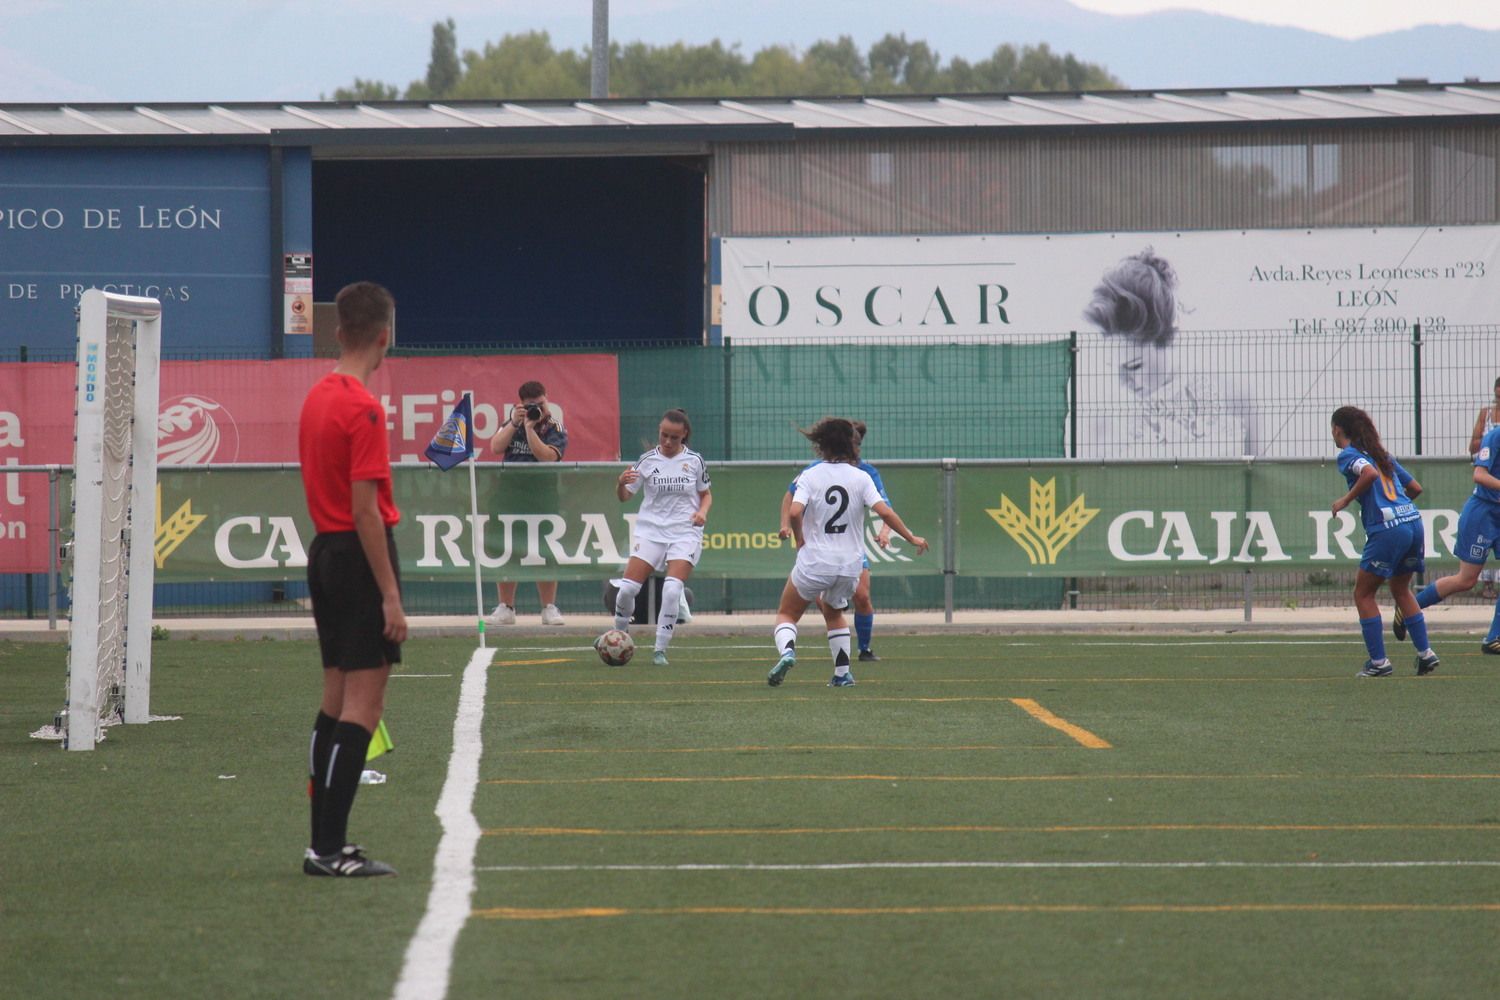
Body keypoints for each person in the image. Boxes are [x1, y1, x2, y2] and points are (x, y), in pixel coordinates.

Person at [297, 281, 407, 877]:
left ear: (338, 333)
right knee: (365, 704)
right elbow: (366, 510)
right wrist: (391, 594)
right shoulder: (362, 407)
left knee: (334, 698)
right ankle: (329, 849)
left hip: (324, 553)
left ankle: (321, 843)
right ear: (385, 337)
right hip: (358, 557)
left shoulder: (317, 396)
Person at [768, 418, 927, 689]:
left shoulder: (811, 474)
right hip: (850, 564)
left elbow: (794, 511)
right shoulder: (861, 477)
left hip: (816, 561)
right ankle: (842, 674)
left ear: (821, 446)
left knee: (787, 614)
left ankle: (788, 652)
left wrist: (799, 538)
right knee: (834, 614)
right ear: (851, 446)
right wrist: (911, 537)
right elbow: (885, 512)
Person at [1083, 247, 1258, 459]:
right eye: (1115, 367)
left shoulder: (1234, 395)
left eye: (1134, 366)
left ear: (1164, 339)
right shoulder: (1103, 423)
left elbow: (1258, 481)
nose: (1124, 381)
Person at [1328, 405, 1437, 678]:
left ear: (1337, 429)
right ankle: (1426, 654)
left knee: (1363, 593)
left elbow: (1369, 474)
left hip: (1388, 529)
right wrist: (1397, 510)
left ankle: (1379, 663)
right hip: (1412, 522)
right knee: (1401, 589)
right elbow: (1415, 488)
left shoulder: (1348, 455)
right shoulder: (1382, 454)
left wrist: (1345, 500)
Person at [605, 409, 712, 666]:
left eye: (674, 437)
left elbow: (706, 494)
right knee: (626, 590)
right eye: (664, 435)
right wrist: (620, 483)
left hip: (684, 532)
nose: (667, 442)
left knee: (673, 589)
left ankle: (659, 650)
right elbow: (624, 496)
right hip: (650, 531)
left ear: (684, 435)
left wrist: (702, 512)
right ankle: (618, 638)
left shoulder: (694, 461)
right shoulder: (647, 461)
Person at [779, 420, 891, 661]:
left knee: (860, 597)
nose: (856, 448)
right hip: (831, 551)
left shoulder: (866, 473)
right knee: (830, 606)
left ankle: (863, 649)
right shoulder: (814, 471)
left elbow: (884, 508)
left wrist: (884, 532)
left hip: (846, 550)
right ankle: (842, 670)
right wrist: (786, 526)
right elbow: (790, 497)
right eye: (853, 443)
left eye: (859, 444)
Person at [1397, 400, 1500, 655]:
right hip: (1483, 513)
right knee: (1466, 580)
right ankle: (1409, 606)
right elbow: (1480, 474)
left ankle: (1493, 638)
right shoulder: (1495, 436)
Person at [485, 380, 568, 626]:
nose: (537, 410)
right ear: (520, 405)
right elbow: (495, 446)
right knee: (507, 549)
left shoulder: (555, 427)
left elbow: (548, 458)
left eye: (541, 404)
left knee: (544, 551)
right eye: (531, 406)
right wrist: (515, 423)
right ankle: (506, 607)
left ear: (547, 399)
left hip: (542, 496)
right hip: (510, 496)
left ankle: (548, 607)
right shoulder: (512, 423)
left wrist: (531, 430)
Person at [1469, 376, 1500, 600]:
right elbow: (1473, 446)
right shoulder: (1487, 417)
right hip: (1489, 493)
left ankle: (1493, 634)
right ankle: (1487, 582)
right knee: (1465, 578)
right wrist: (1489, 442)